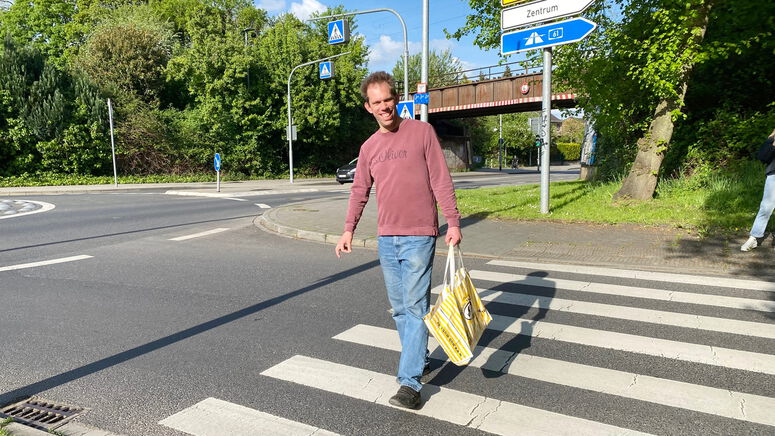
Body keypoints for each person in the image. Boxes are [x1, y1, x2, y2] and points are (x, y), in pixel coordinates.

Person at [335, 71, 462, 409]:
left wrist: (453, 222)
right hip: (387, 238)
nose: (384, 107)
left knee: (416, 307)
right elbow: (360, 190)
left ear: (397, 99)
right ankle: (418, 358)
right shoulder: (369, 147)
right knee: (401, 310)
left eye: (388, 100)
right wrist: (348, 229)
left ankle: (409, 383)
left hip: (420, 234)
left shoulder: (422, 132)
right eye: (377, 103)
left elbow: (440, 178)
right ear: (368, 107)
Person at [741, 128, 775, 251]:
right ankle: (754, 238)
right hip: (774, 175)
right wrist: (773, 143)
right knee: (766, 207)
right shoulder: (771, 139)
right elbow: (762, 157)